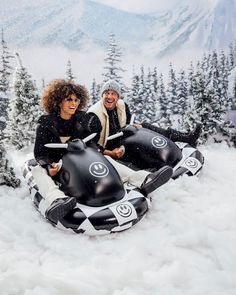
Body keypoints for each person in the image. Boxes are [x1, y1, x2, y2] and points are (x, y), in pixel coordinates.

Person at [33, 79, 173, 225]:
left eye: (76, 100)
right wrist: (49, 166)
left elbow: (90, 141)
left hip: (80, 159)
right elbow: (39, 153)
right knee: (38, 170)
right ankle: (57, 200)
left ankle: (144, 179)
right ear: (58, 101)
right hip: (58, 163)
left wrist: (101, 152)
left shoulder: (81, 118)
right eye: (69, 100)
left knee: (106, 159)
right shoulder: (45, 123)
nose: (74, 103)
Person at [86, 79, 202, 160]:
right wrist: (110, 153)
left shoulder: (122, 106)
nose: (110, 96)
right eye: (106, 93)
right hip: (108, 148)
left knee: (145, 126)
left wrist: (134, 125)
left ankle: (186, 138)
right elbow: (89, 143)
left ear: (118, 96)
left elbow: (128, 121)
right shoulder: (94, 114)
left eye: (113, 93)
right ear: (102, 95)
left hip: (122, 136)